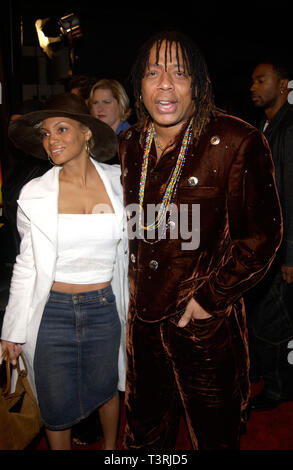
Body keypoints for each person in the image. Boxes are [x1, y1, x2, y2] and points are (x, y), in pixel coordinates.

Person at [118, 31, 282, 450]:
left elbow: (261, 238)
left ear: (200, 85)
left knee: (215, 437)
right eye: (153, 73)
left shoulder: (235, 140)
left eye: (180, 73)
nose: (166, 84)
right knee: (143, 439)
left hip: (205, 328)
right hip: (143, 328)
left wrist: (208, 301)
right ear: (140, 84)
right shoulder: (130, 143)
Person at [0, 93, 129, 450]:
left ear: (87, 133)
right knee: (55, 404)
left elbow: (135, 251)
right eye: (44, 133)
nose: (51, 140)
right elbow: (26, 265)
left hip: (105, 307)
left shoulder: (121, 183)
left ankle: (110, 450)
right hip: (51, 312)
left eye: (61, 129)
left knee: (106, 389)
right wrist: (11, 329)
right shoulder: (34, 194)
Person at [245, 61, 293, 411]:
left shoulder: (289, 127)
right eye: (252, 80)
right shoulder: (267, 124)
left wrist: (291, 254)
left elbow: (291, 191)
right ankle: (265, 370)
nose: (253, 86)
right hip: (266, 241)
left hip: (282, 244)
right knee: (262, 312)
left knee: (275, 318)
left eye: (261, 80)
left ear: (283, 85)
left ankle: (279, 389)